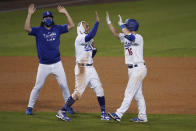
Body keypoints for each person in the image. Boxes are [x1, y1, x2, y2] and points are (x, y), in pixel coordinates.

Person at [56, 11, 111, 122]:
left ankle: (103, 113)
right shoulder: (79, 38)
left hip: (91, 68)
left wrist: (93, 51)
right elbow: (91, 35)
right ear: (81, 28)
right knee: (78, 94)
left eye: (89, 26)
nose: (88, 27)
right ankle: (61, 112)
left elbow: (94, 51)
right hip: (81, 69)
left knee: (99, 89)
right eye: (86, 26)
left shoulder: (88, 39)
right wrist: (97, 22)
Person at [24, 3, 75, 115]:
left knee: (64, 85)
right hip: (43, 65)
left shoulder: (58, 28)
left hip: (57, 64)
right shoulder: (38, 30)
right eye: (46, 18)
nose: (48, 19)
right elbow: (27, 28)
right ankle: (29, 107)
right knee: (38, 86)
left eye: (50, 18)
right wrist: (29, 14)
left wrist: (65, 12)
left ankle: (68, 107)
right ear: (43, 20)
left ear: (52, 19)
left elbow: (71, 25)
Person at [106, 12, 148, 122]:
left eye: (126, 25)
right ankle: (142, 117)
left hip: (138, 69)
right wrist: (109, 23)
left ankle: (118, 114)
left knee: (129, 92)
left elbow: (131, 36)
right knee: (138, 95)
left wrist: (122, 25)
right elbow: (116, 34)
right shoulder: (125, 36)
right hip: (133, 70)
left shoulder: (138, 37)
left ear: (130, 27)